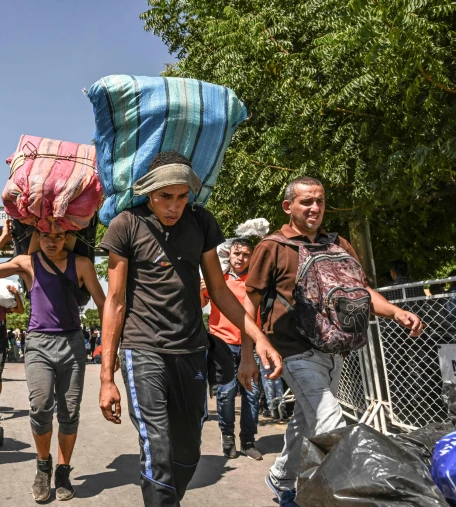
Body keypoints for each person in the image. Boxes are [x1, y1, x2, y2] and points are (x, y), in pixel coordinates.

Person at [98, 152, 282, 507]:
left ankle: (168, 498)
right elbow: (115, 301)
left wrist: (258, 338)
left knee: (187, 452)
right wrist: (107, 377)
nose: (174, 206)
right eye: (165, 196)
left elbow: (219, 290)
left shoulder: (201, 222)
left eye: (182, 196)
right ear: (149, 192)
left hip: (193, 350)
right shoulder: (126, 225)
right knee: (157, 444)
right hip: (144, 348)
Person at [239, 176, 423, 507]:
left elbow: (362, 292)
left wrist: (395, 311)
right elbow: (248, 305)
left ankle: (281, 478)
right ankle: (335, 499)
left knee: (306, 419)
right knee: (330, 424)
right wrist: (247, 356)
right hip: (293, 353)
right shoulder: (273, 246)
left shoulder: (338, 244)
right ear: (288, 206)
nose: (314, 208)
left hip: (335, 350)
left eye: (320, 201)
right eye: (306, 201)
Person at [0, 218, 105, 503]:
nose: (52, 241)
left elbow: (104, 304)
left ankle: (64, 472)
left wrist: (111, 347)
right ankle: (43, 467)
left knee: (70, 413)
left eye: (58, 236)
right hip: (38, 344)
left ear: (68, 236)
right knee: (40, 407)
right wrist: (4, 238)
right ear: (37, 236)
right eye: (45, 235)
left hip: (72, 343)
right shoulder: (28, 263)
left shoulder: (81, 264)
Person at [201, 237, 263, 461]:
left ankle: (248, 441)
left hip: (251, 344)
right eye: (237, 253)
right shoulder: (219, 279)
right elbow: (201, 303)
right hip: (222, 343)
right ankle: (227, 438)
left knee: (252, 394)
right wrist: (201, 288)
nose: (241, 258)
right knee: (226, 393)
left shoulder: (256, 282)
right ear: (229, 254)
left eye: (246, 254)